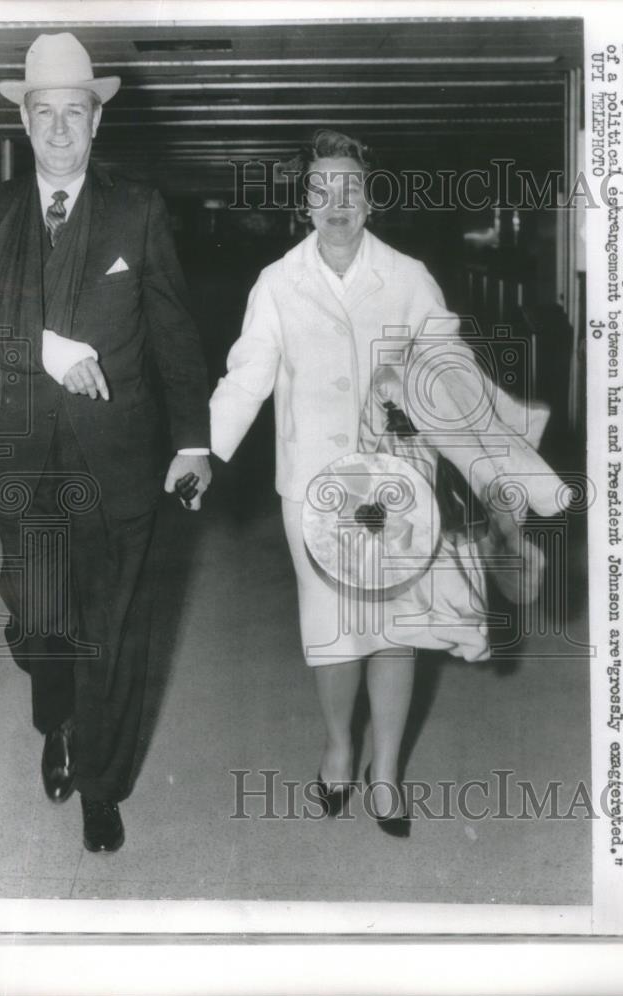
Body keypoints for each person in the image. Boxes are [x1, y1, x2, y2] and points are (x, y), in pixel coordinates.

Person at [209, 129, 568, 837]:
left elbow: (453, 374)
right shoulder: (278, 282)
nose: (336, 202)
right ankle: (340, 746)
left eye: (350, 187)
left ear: (369, 199)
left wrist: (415, 391)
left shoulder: (408, 276)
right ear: (304, 204)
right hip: (312, 487)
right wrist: (207, 449)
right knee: (334, 631)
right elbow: (249, 371)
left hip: (399, 483)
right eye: (321, 188)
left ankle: (387, 773)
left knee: (396, 629)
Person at [0, 33, 212, 852]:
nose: (60, 129)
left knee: (113, 624)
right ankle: (56, 716)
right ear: (24, 123)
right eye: (45, 113)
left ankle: (102, 785)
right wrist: (42, 348)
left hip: (122, 464)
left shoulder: (138, 208)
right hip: (24, 460)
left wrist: (193, 442)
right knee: (38, 622)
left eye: (76, 112)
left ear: (96, 122)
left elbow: (173, 329)